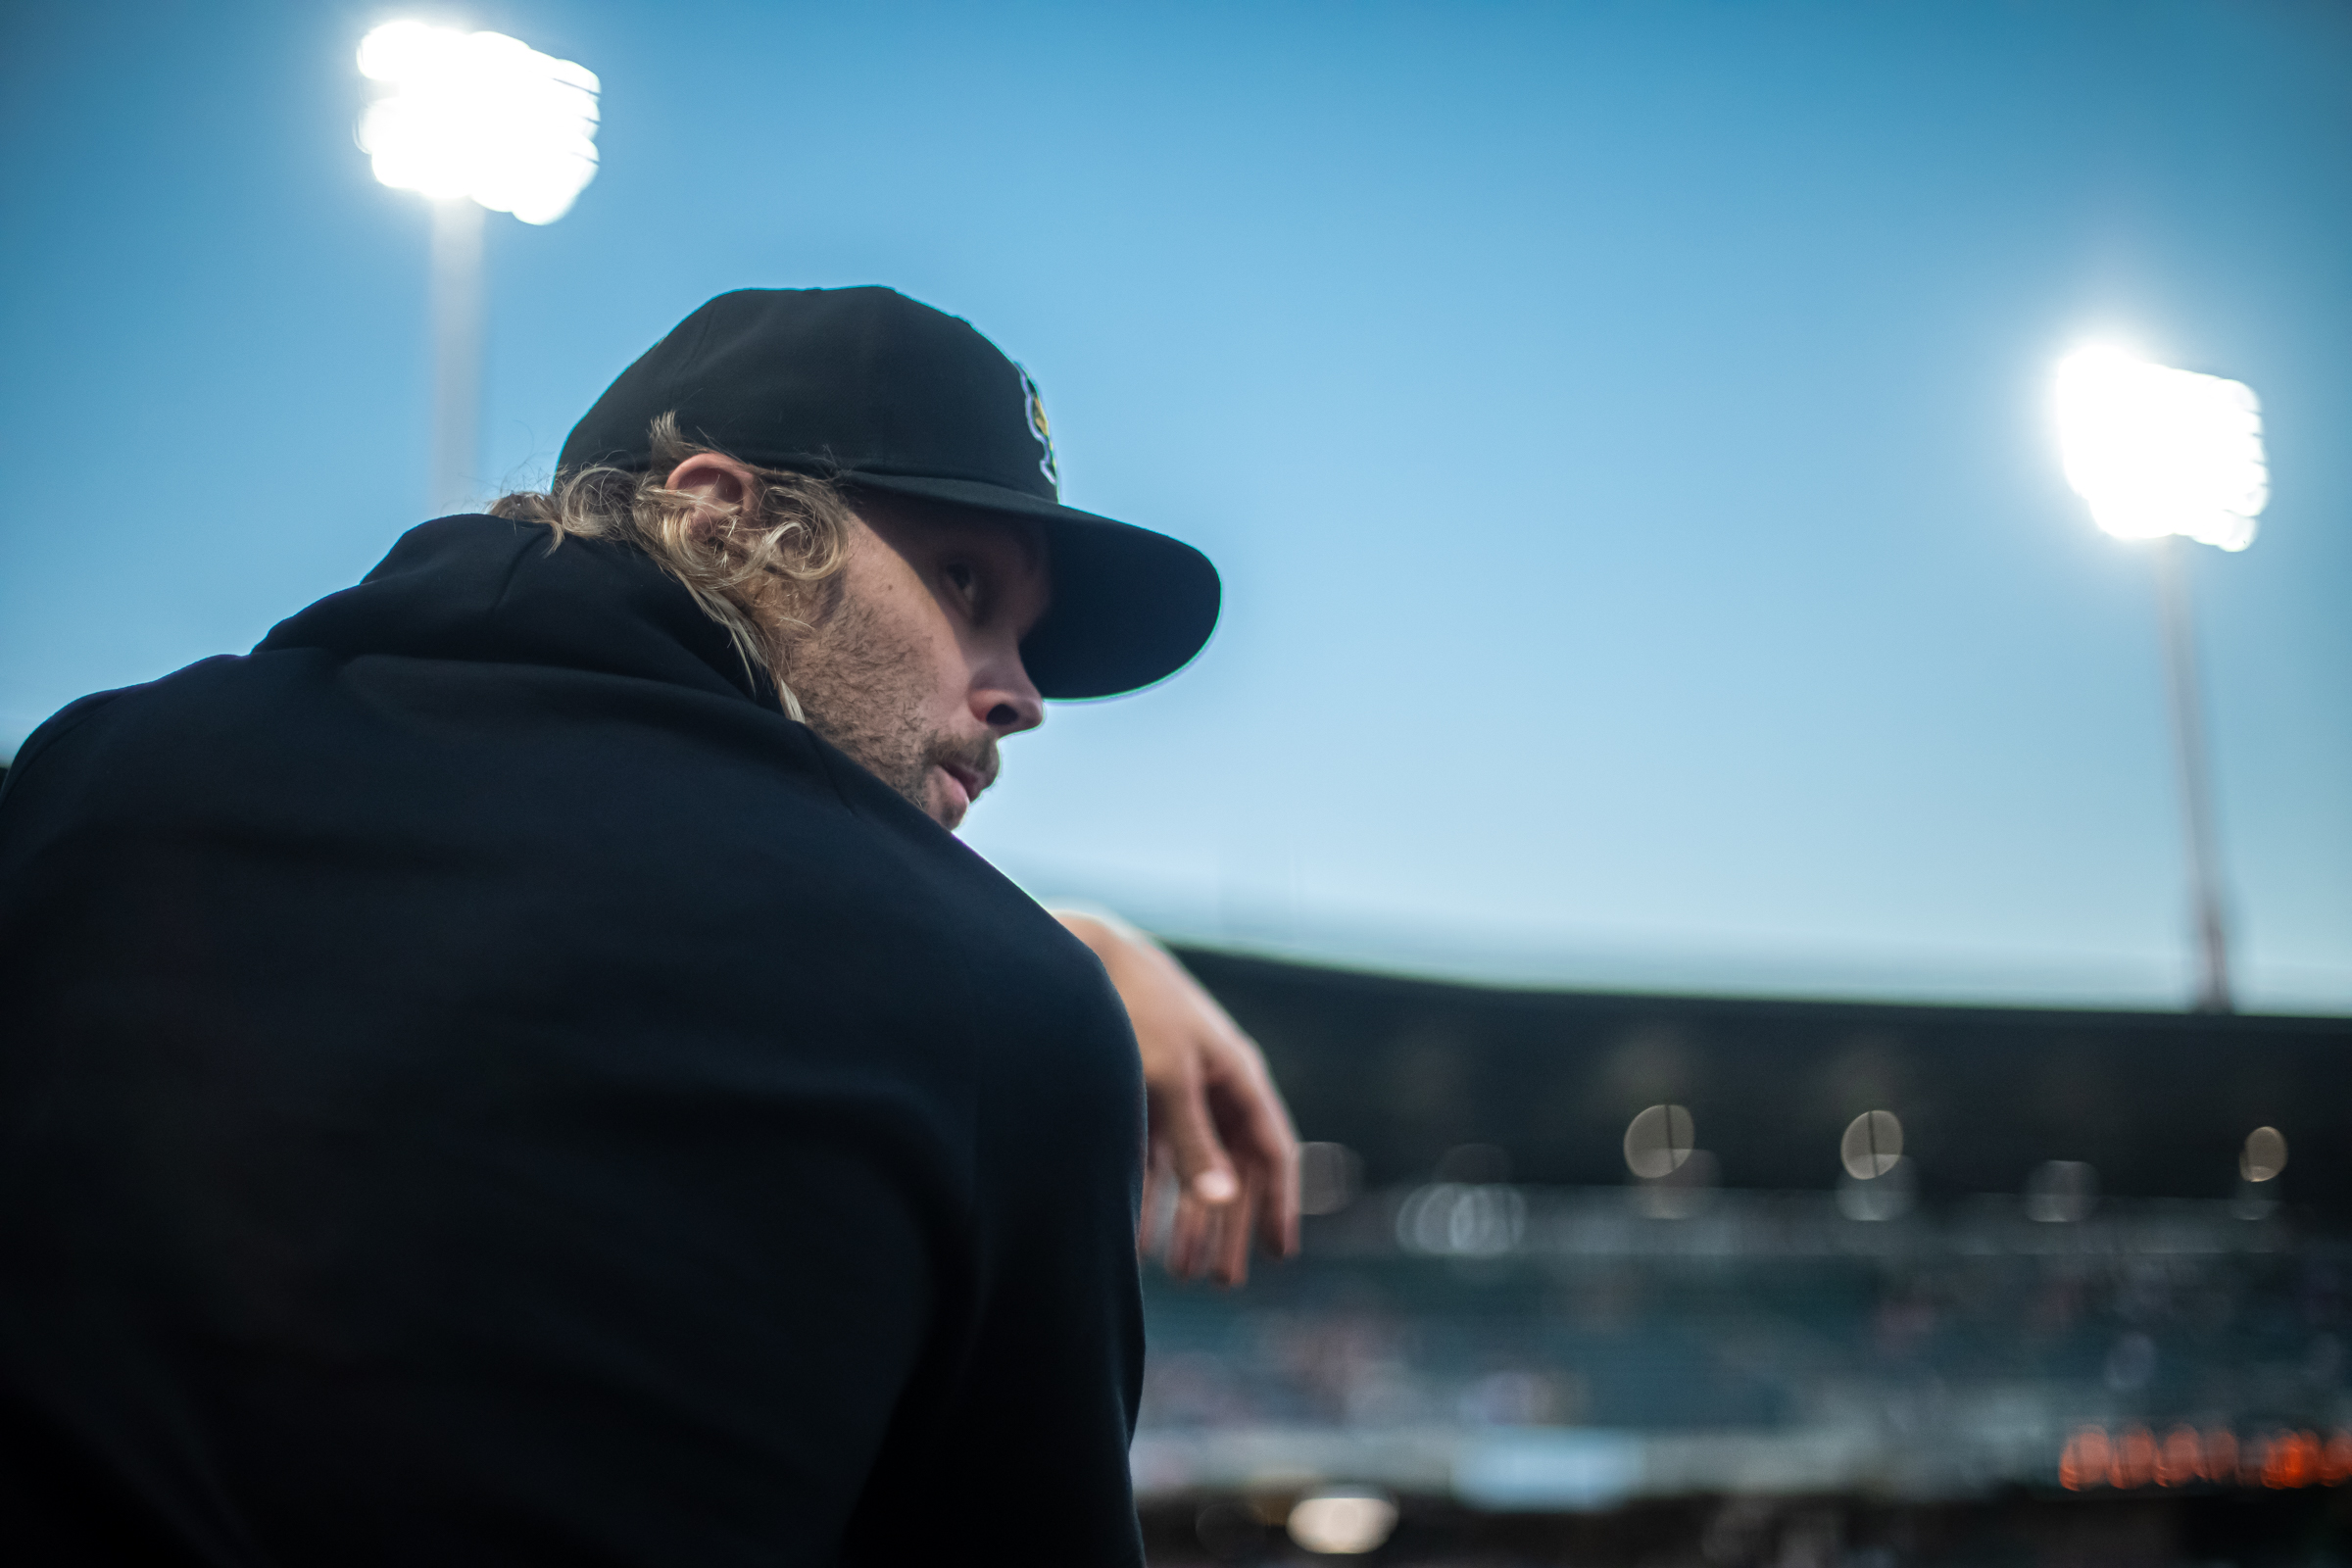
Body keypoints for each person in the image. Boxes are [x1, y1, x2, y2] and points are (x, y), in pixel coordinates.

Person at [0, 286, 1296, 1564]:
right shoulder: (1007, 1012)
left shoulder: (91, 777)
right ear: (723, 517)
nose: (1020, 696)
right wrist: (1051, 971)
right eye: (966, 583)